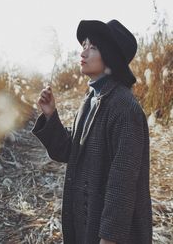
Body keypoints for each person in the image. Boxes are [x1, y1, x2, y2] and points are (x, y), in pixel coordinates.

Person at [32, 19, 153, 244]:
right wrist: (50, 115)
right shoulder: (91, 98)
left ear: (110, 56)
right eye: (84, 45)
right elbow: (71, 150)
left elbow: (123, 183)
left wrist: (109, 237)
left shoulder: (125, 108)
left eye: (93, 46)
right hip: (88, 221)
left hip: (110, 234)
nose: (84, 51)